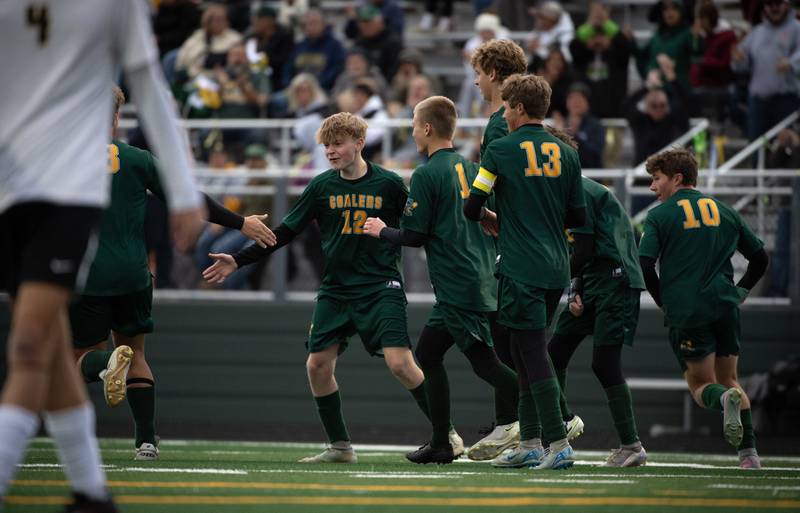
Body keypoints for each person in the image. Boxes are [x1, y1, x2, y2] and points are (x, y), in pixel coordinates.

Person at [0, 1, 205, 511]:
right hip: (8, 188)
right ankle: (92, 492)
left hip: (68, 192)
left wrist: (184, 191)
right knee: (47, 344)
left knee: (28, 343)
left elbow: (149, 84)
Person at [202, 113, 464, 463]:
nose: (330, 150)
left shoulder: (388, 183)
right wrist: (239, 259)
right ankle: (340, 447)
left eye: (337, 143)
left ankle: (445, 434)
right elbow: (284, 233)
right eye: (326, 145)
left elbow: (419, 226)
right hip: (336, 289)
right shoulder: (322, 186)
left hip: (380, 286)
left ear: (359, 143)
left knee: (400, 363)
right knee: (317, 365)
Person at [72, 87, 275, 460]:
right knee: (136, 352)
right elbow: (188, 198)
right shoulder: (137, 159)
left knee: (81, 356)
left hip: (89, 274)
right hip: (134, 273)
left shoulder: (64, 159)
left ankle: (106, 365)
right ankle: (146, 442)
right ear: (117, 119)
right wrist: (240, 223)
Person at [362, 97, 519, 464]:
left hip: (457, 282)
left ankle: (552, 415)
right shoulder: (470, 166)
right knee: (429, 354)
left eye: (416, 125)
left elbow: (414, 237)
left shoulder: (428, 173)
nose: (413, 132)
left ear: (428, 128)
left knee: (486, 364)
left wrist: (382, 230)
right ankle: (441, 442)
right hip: (478, 275)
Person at [465, 74, 586, 470]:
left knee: (531, 352)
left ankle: (556, 441)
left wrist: (491, 215)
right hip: (556, 265)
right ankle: (530, 441)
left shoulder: (499, 148)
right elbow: (577, 215)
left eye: (505, 107)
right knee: (521, 349)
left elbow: (472, 205)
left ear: (517, 107)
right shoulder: (567, 153)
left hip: (521, 265)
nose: (503, 113)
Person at [639, 149, 769, 469]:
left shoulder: (658, 216)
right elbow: (761, 259)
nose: (652, 187)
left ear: (677, 178)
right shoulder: (725, 211)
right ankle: (749, 455)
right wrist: (741, 291)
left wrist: (660, 299)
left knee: (700, 385)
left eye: (657, 179)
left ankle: (724, 402)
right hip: (725, 304)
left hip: (688, 308)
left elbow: (644, 263)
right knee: (731, 379)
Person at [547, 165, 647, 467]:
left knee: (604, 363)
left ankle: (631, 444)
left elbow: (586, 250)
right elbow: (582, 250)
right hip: (593, 279)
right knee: (552, 354)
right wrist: (576, 287)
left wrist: (556, 280)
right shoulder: (568, 190)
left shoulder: (580, 190)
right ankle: (561, 423)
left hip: (614, 280)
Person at [465, 38, 528, 461]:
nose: (474, 79)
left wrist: (482, 211)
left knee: (511, 339)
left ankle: (529, 421)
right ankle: (525, 422)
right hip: (535, 236)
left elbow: (493, 185)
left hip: (517, 242)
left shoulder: (498, 122)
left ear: (492, 72)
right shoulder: (529, 119)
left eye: (477, 71)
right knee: (518, 338)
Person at [730, 0, 800, 142]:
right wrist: (738, 59)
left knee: (786, 148)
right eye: (770, 4)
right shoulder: (757, 32)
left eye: (778, 3)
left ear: (786, 5)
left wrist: (791, 63)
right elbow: (740, 65)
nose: (774, 8)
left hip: (786, 99)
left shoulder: (796, 28)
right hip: (758, 101)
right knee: (757, 146)